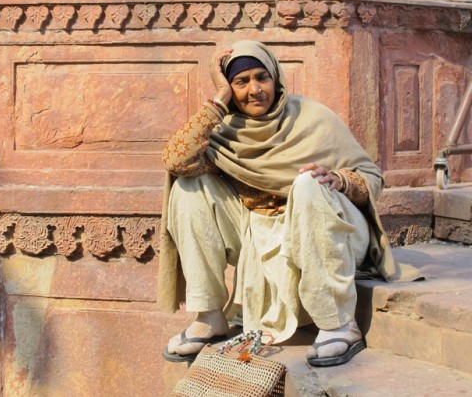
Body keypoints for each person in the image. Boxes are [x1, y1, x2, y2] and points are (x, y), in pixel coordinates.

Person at [157, 40, 418, 367]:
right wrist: (220, 97)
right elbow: (175, 160)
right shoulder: (226, 133)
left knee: (309, 185)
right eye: (241, 81)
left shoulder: (312, 117)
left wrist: (338, 180)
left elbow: (372, 178)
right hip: (261, 235)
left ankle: (338, 322)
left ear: (276, 78)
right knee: (188, 187)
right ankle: (210, 316)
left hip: (332, 230)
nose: (254, 90)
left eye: (261, 78)